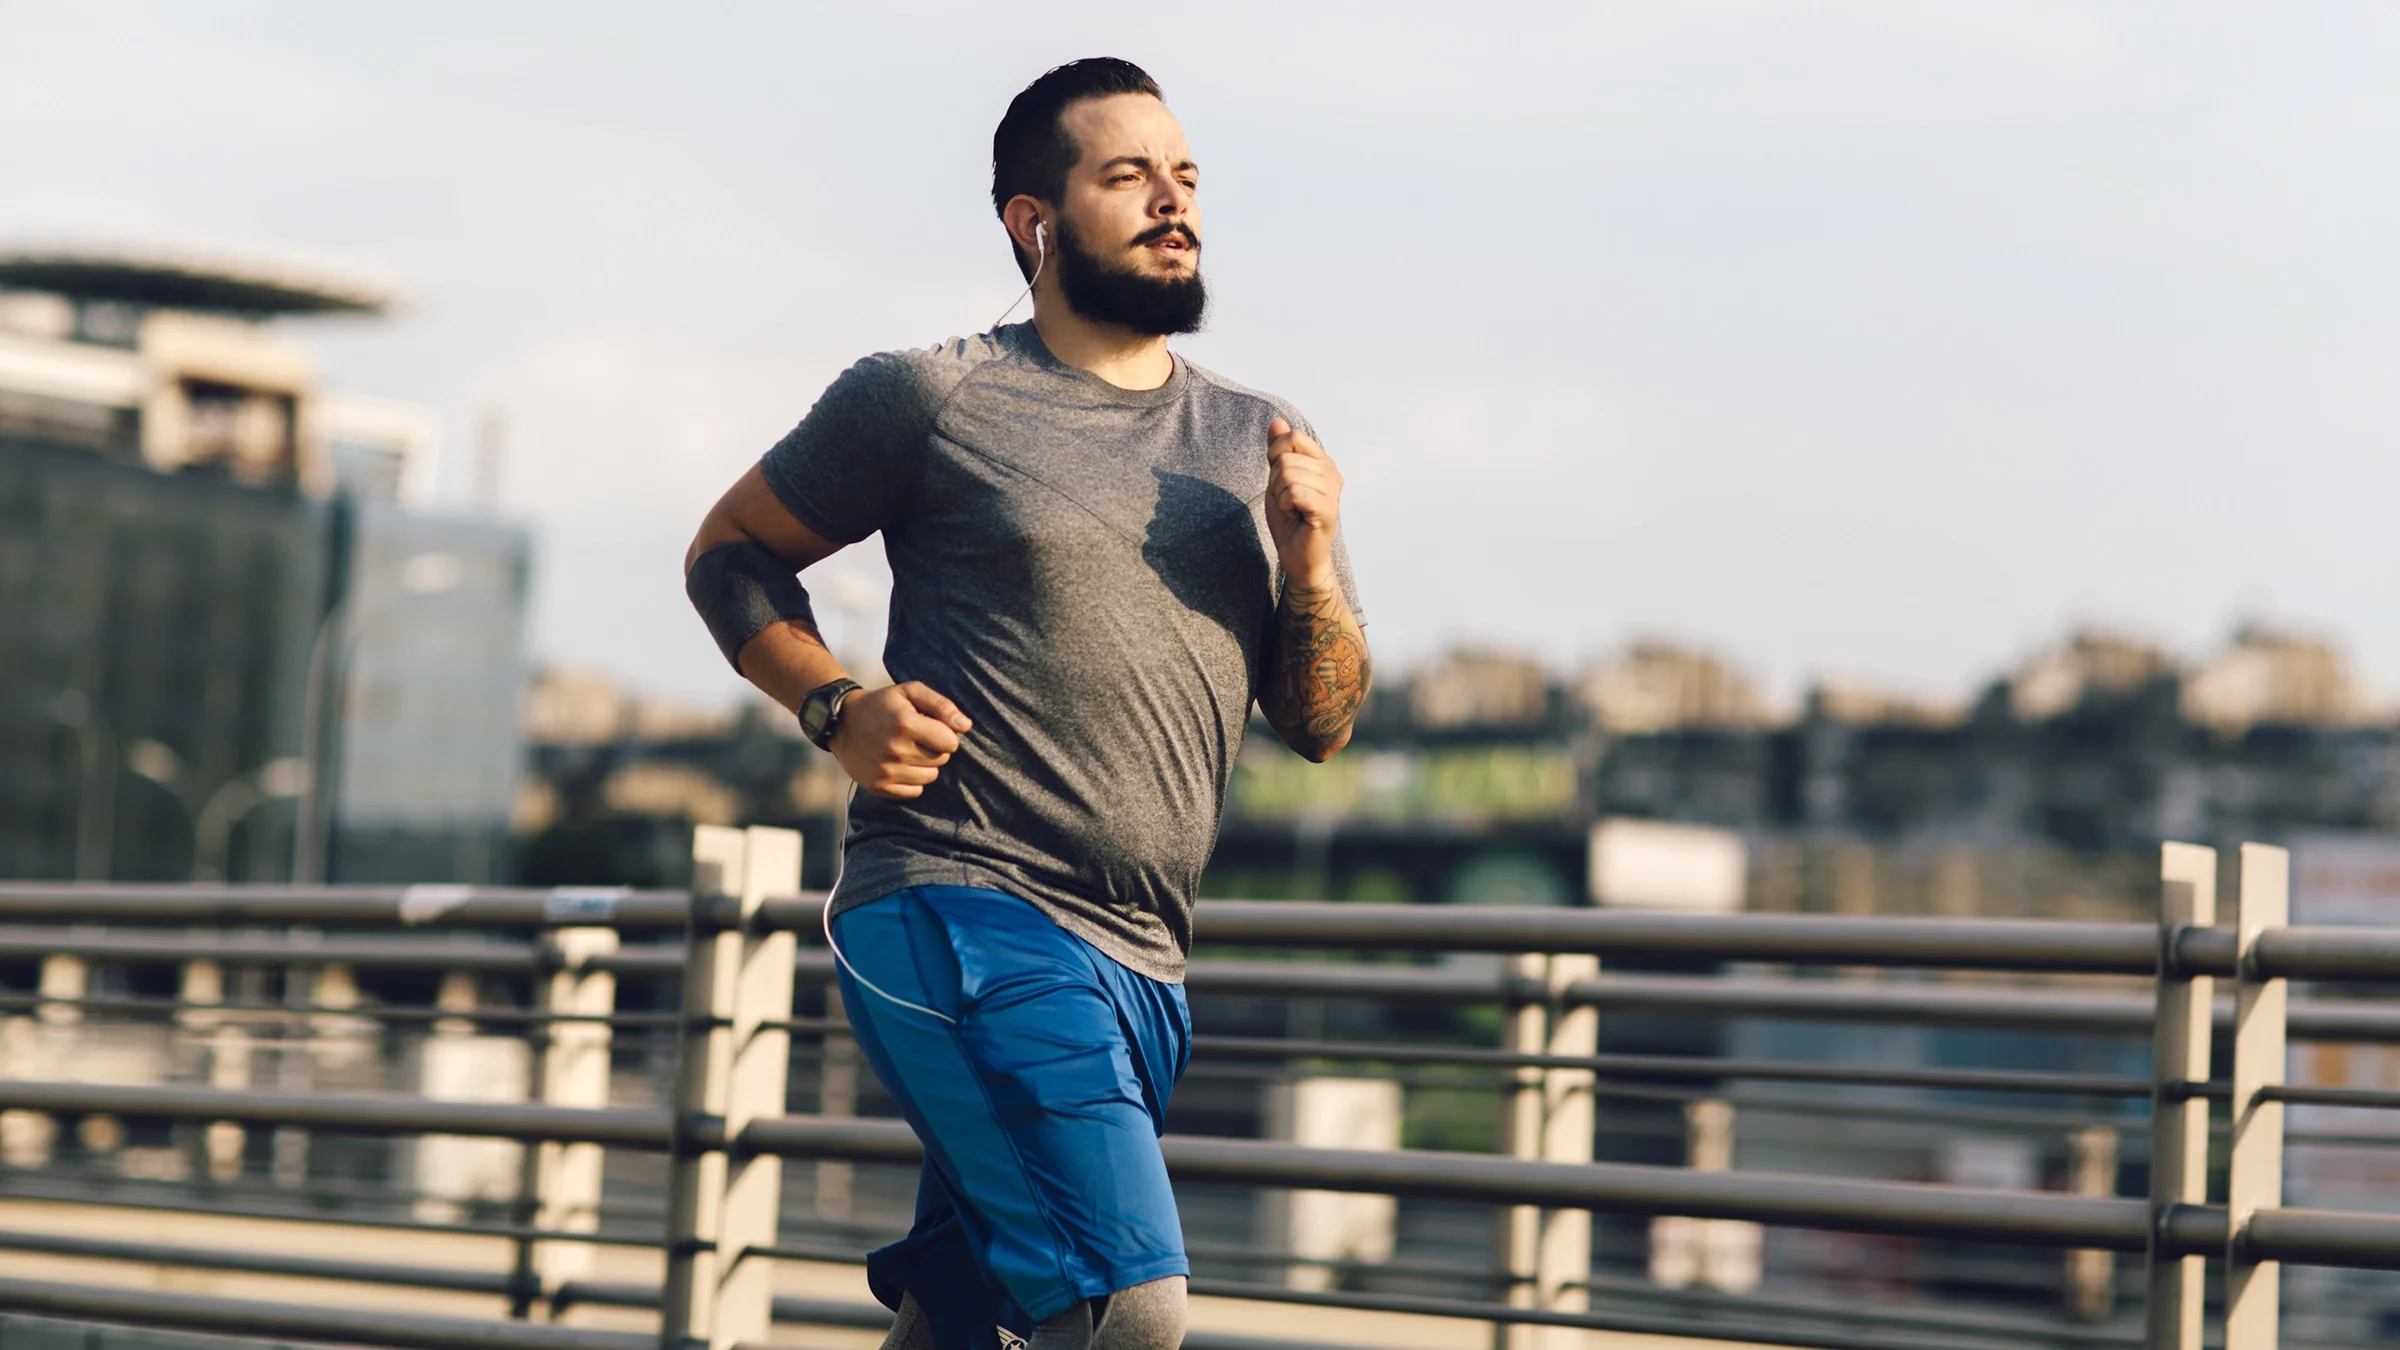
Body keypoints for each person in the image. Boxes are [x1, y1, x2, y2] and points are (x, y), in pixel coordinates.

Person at [682, 56, 1368, 1350]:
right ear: (1032, 220)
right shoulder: (932, 396)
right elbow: (728, 549)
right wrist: (835, 704)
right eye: (1128, 177)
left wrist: (1314, 557)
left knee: (960, 1318)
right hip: (964, 909)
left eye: (1185, 177)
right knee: (1124, 1310)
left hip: (1147, 962)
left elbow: (1320, 720)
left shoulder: (1255, 438)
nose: (1174, 203)